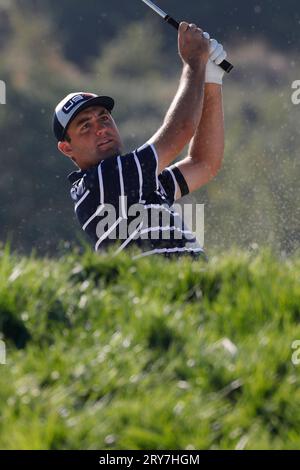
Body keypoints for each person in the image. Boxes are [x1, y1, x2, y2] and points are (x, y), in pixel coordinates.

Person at [53, 22, 226, 260]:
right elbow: (182, 128)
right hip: (169, 292)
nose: (101, 129)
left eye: (104, 118)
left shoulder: (134, 184)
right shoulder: (104, 179)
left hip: (191, 290)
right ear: (66, 148)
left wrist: (211, 81)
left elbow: (204, 164)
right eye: (85, 126)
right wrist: (194, 63)